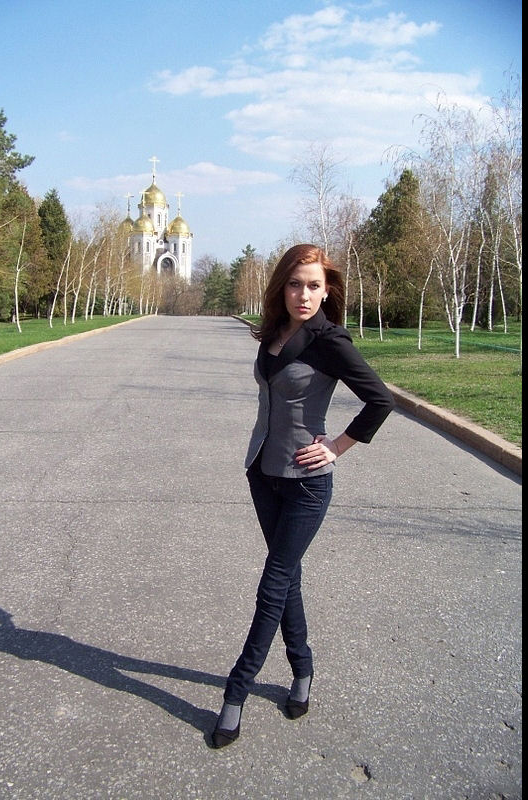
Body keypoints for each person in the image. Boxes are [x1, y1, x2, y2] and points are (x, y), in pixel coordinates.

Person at [212, 243, 395, 748]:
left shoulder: (329, 340)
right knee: (287, 576)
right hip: (263, 473)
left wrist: (336, 446)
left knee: (272, 583)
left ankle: (235, 692)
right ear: (282, 288)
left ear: (328, 290)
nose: (305, 295)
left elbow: (381, 400)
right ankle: (303, 670)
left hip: (306, 483)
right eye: (296, 284)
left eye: (315, 285)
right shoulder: (273, 332)